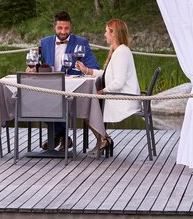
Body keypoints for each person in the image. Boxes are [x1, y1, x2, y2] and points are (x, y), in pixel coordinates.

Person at [27, 11, 100, 151]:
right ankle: (62, 136)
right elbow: (37, 65)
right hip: (48, 87)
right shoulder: (45, 42)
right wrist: (32, 68)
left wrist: (81, 70)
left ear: (70, 27)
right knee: (36, 98)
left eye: (66, 28)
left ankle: (55, 136)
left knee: (50, 99)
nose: (63, 32)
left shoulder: (81, 42)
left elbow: (94, 67)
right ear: (54, 27)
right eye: (60, 28)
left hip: (72, 90)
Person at [76, 19, 140, 156]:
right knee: (86, 105)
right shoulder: (119, 51)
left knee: (85, 107)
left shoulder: (121, 53)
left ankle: (104, 139)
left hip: (123, 98)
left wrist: (101, 91)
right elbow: (106, 75)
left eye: (106, 31)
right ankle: (104, 139)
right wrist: (86, 70)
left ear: (114, 34)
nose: (104, 34)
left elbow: (119, 82)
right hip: (119, 95)